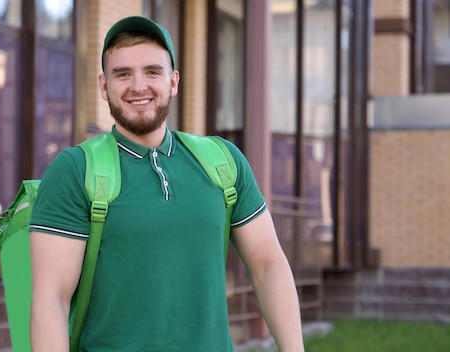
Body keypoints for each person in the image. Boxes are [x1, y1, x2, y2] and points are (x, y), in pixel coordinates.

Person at [29, 15, 305, 352]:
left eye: (152, 71)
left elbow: (268, 264)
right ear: (104, 86)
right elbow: (50, 300)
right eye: (123, 74)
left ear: (174, 81)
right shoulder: (74, 170)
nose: (138, 86)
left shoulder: (222, 161)